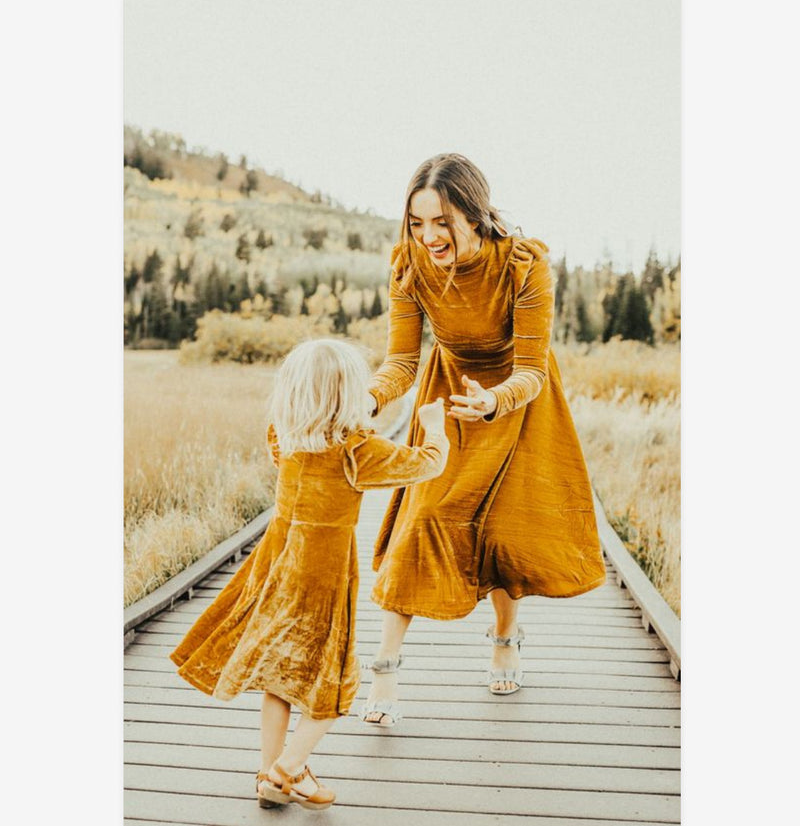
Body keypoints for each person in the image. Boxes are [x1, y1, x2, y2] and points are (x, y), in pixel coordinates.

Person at [359, 153, 607, 727]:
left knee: (504, 529)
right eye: (417, 223)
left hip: (518, 401)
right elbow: (400, 362)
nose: (427, 236)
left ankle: (505, 635)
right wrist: (369, 400)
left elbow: (532, 368)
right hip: (448, 396)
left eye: (440, 222)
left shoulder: (523, 266)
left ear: (472, 213)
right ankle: (387, 670)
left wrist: (494, 400)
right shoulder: (408, 267)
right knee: (422, 522)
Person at [169, 338, 449, 809]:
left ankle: (269, 773)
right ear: (350, 395)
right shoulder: (358, 452)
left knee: (281, 677)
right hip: (322, 578)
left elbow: (310, 434)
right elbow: (428, 464)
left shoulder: (283, 435)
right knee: (334, 687)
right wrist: (435, 428)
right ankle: (286, 771)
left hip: (276, 569)